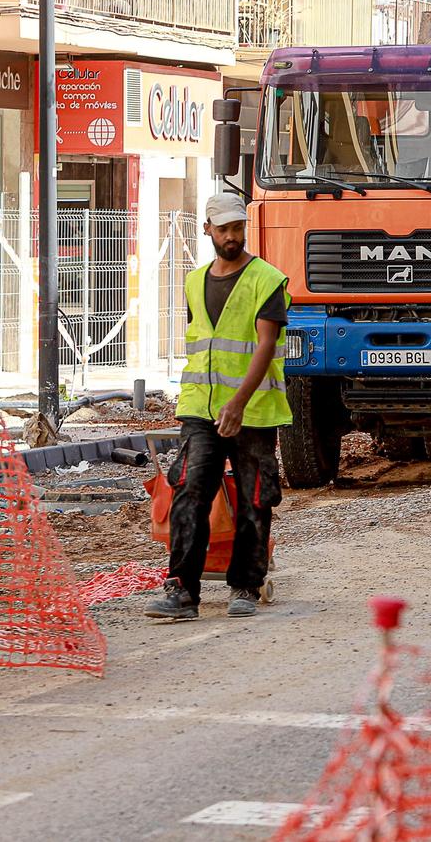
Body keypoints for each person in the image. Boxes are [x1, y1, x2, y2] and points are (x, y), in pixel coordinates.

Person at [145, 193, 289, 622]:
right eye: (223, 228)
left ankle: (246, 583)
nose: (232, 236)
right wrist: (210, 407)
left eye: (238, 228)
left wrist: (238, 404)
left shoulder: (267, 280)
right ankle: (182, 590)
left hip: (253, 410)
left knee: (253, 498)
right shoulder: (194, 282)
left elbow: (266, 345)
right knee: (190, 493)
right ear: (207, 228)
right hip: (201, 409)